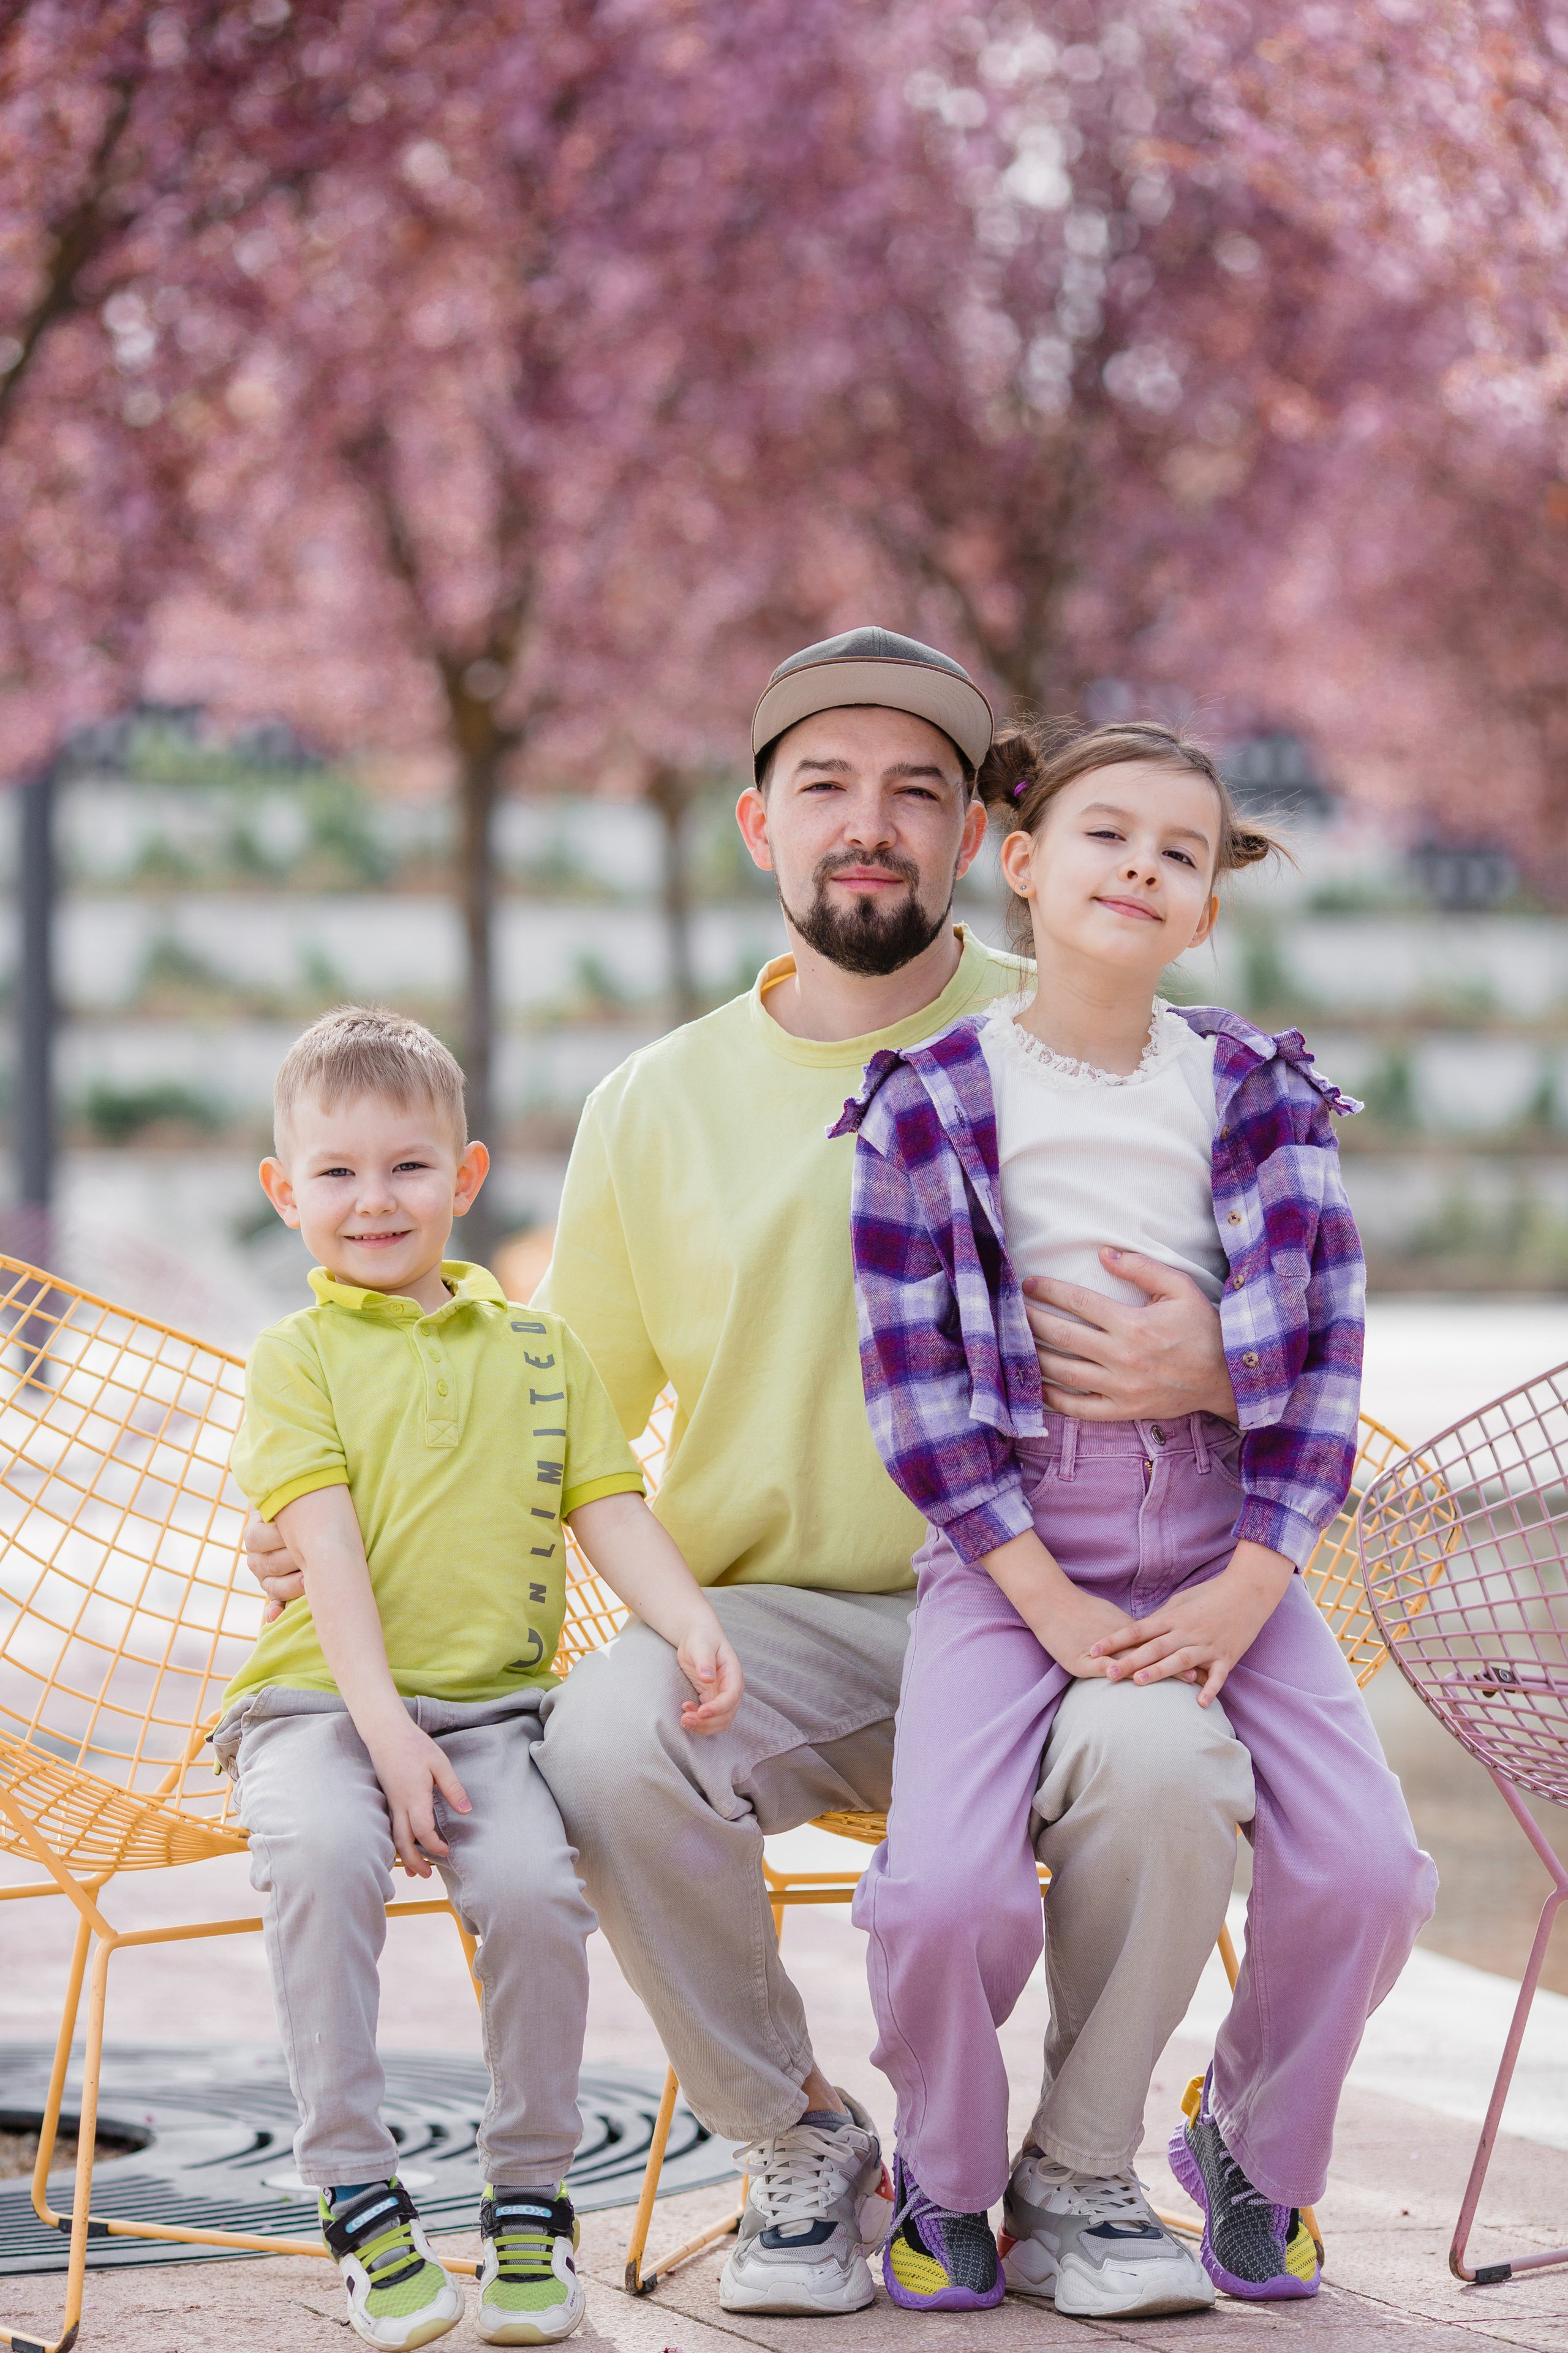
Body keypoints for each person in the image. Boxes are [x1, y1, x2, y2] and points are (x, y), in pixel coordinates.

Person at [245, 629, 1253, 2324]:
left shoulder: (1090, 1031)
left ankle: (1077, 2170)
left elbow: (1301, 1320)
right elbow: (547, 1417)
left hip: (1065, 1609)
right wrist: (325, 1514)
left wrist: (1209, 1364)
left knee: (1161, 1764)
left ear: (975, 837)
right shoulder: (654, 1105)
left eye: (915, 792)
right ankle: (796, 2137)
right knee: (605, 1737)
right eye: (825, 786)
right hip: (767, 1627)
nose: (869, 824)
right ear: (757, 824)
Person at [833, 716, 1436, 2316]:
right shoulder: (929, 1102)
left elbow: (1326, 1355)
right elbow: (914, 1388)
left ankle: (1246, 2138)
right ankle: (947, 2172)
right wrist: (1039, 1591)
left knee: (1369, 1872)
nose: (1141, 868)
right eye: (1107, 835)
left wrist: (1252, 1580)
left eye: (1179, 852)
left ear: (1204, 909)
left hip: (1231, 1530)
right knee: (943, 1894)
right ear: (1024, 864)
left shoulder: (1257, 1091)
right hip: (1009, 1545)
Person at [216, 1005, 742, 2351]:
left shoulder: (542, 1351)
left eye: (408, 1166)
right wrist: (384, 1734)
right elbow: (326, 1554)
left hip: (497, 1718)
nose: (373, 1200)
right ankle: (354, 2188)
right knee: (320, 1854)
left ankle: (530, 2192)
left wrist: (687, 1617)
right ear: (283, 1191)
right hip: (316, 1710)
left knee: (531, 1892)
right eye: (336, 1172)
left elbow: (609, 1506)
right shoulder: (293, 1358)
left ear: (466, 1175)